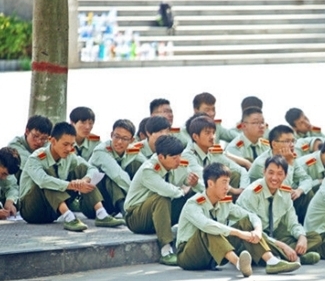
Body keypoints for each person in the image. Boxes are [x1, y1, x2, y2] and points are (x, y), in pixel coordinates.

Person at [176, 162, 301, 276]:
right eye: (224, 182)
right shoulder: (193, 204)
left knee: (245, 222)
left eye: (228, 183)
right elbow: (206, 225)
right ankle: (238, 263)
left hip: (212, 256)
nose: (228, 187)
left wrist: (257, 230)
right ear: (210, 183)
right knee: (211, 228)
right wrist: (240, 234)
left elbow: (250, 216)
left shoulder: (225, 203)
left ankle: (272, 261)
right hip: (189, 256)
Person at [19, 122, 124, 231]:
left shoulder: (69, 156)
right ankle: (69, 218)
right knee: (49, 179)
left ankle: (101, 214)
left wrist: (83, 181)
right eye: (65, 144)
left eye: (72, 145)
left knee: (82, 169)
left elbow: (92, 169)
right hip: (32, 211)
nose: (69, 149)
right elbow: (43, 181)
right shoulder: (36, 158)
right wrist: (72, 185)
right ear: (53, 141)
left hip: (53, 212)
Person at [237, 155, 322, 265]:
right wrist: (281, 245)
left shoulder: (285, 192)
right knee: (253, 236)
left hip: (273, 235)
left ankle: (285, 256)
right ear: (264, 172)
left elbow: (292, 223)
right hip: (251, 239)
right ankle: (289, 256)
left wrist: (302, 237)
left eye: (280, 174)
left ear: (285, 175)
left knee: (314, 237)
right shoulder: (252, 193)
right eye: (271, 173)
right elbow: (253, 231)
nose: (274, 178)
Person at [124, 135, 195, 266]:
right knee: (162, 198)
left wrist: (192, 184)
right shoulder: (149, 169)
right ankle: (166, 251)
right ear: (161, 157)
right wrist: (183, 190)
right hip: (136, 218)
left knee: (193, 198)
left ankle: (191, 243)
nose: (179, 160)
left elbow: (189, 180)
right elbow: (166, 190)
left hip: (157, 216)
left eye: (179, 155)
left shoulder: (177, 164)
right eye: (174, 158)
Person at [248, 125, 314, 223]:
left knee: (306, 194)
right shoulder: (262, 163)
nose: (292, 145)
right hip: (263, 204)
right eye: (287, 141)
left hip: (280, 201)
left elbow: (306, 178)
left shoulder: (289, 157)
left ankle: (304, 227)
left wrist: (299, 190)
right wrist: (289, 163)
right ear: (274, 144)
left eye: (293, 141)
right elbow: (280, 189)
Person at [182, 114, 250, 199]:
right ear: (195, 137)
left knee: (234, 174)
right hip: (191, 196)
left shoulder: (213, 151)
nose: (212, 137)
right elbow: (205, 180)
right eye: (207, 133)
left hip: (215, 194)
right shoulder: (188, 155)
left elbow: (241, 170)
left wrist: (242, 189)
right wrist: (232, 190)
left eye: (213, 133)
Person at [88, 119, 147, 216]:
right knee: (111, 177)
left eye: (124, 139)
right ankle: (127, 212)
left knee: (136, 165)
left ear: (132, 140)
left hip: (111, 203)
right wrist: (137, 195)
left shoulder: (132, 150)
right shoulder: (101, 151)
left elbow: (148, 167)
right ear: (111, 135)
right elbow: (117, 176)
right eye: (116, 136)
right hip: (94, 203)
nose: (119, 142)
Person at [0, 147, 21, 220]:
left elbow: (12, 187)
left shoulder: (6, 169)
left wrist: (9, 202)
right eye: (3, 174)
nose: (4, 178)